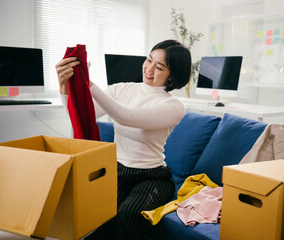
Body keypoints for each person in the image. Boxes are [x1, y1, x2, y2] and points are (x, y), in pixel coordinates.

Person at [56, 39, 192, 240]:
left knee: (128, 214)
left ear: (173, 75)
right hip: (116, 171)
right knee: (100, 214)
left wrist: (87, 82)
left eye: (160, 67)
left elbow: (126, 117)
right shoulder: (121, 89)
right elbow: (85, 115)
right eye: (149, 60)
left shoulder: (174, 106)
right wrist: (64, 89)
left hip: (152, 177)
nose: (149, 68)